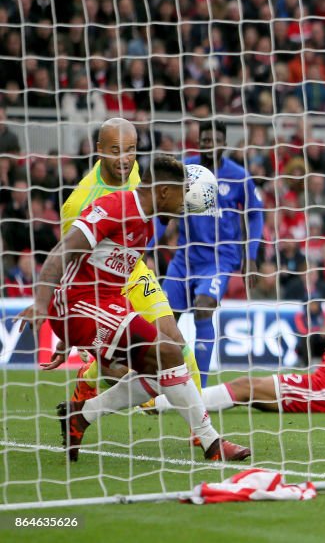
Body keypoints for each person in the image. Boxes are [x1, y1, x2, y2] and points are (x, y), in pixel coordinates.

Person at [16, 156, 250, 462]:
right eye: (182, 193)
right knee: (170, 353)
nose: (185, 204)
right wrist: (43, 304)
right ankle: (212, 443)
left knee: (161, 369)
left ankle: (82, 415)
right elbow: (64, 250)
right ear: (164, 192)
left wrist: (71, 334)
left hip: (102, 306)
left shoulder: (146, 227)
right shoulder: (116, 206)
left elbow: (111, 280)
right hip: (79, 305)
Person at [60, 118, 201, 403]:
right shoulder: (78, 203)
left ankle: (201, 434)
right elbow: (69, 264)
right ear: (99, 150)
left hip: (135, 272)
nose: (124, 159)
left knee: (177, 341)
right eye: (115, 151)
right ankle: (91, 377)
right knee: (122, 367)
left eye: (130, 150)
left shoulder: (135, 169)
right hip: (101, 288)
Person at [148, 268, 325, 416]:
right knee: (247, 392)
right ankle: (165, 403)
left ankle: (162, 403)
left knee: (245, 387)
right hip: (319, 385)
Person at [160, 120, 264, 386]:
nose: (209, 144)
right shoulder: (186, 169)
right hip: (184, 258)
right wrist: (149, 246)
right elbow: (162, 208)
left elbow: (255, 216)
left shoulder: (239, 176)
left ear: (224, 143)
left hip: (219, 259)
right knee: (165, 322)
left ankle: (200, 388)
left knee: (204, 309)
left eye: (214, 139)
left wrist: (250, 256)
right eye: (205, 139)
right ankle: (158, 387)